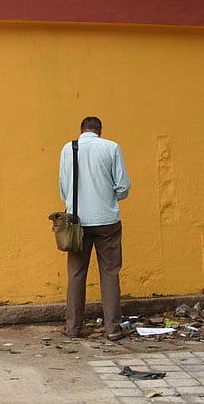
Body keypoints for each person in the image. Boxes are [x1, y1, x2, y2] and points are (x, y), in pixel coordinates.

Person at [58, 116, 131, 340]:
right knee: (109, 273)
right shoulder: (112, 147)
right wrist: (109, 198)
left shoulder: (68, 149)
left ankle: (73, 329)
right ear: (100, 130)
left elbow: (63, 186)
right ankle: (112, 329)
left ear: (81, 130)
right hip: (107, 220)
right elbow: (123, 186)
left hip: (77, 222)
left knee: (76, 274)